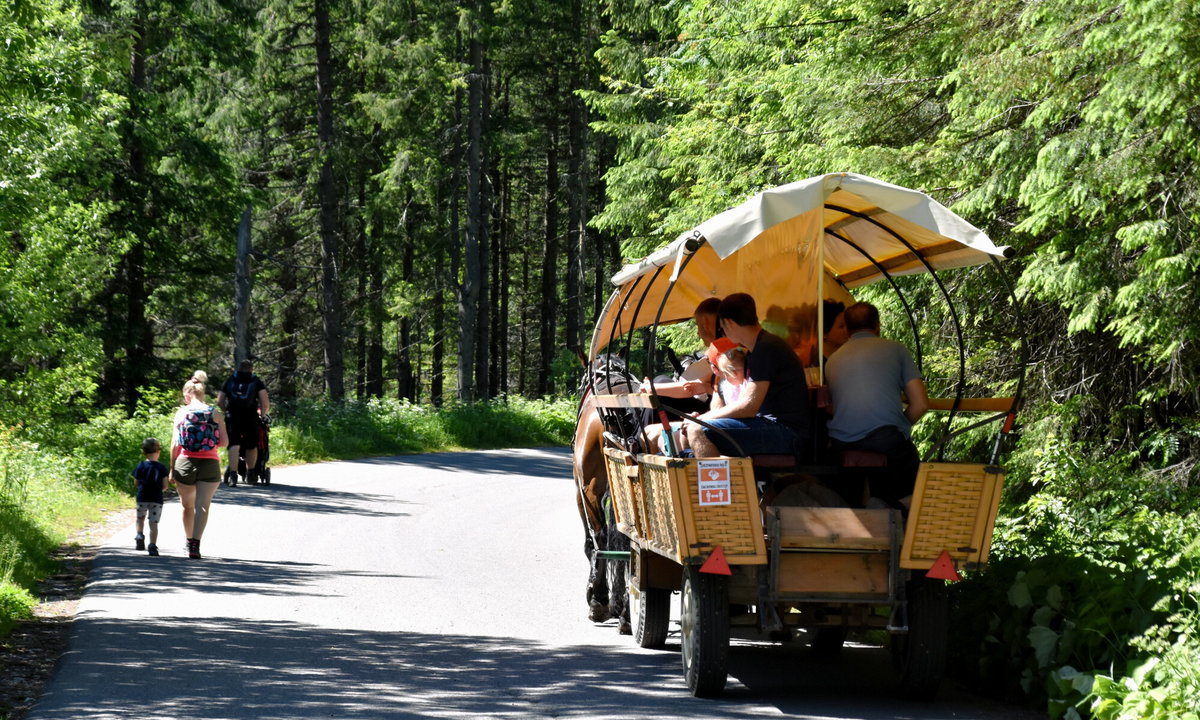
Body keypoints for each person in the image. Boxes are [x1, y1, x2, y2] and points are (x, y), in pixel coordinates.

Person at [825, 301, 930, 509]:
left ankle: (873, 509)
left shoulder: (832, 360)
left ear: (847, 328)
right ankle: (892, 508)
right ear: (877, 325)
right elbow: (921, 404)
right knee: (911, 485)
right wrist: (900, 427)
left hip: (840, 443)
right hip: (885, 439)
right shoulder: (896, 349)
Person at [686, 293, 811, 459]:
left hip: (787, 432)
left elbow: (748, 407)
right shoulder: (762, 346)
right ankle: (727, 480)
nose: (722, 332)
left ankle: (718, 485)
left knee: (698, 430)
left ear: (728, 323)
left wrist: (702, 419)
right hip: (778, 427)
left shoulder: (766, 349)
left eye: (721, 327)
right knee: (699, 430)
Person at [169, 376, 228, 559]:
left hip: (185, 462)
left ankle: (188, 540)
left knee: (187, 507)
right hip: (210, 463)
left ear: (187, 394)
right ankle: (195, 544)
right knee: (202, 506)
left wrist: (172, 468)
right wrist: (208, 444)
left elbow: (175, 445)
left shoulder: (181, 413)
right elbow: (225, 442)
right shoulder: (214, 413)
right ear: (202, 393)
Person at [217, 360, 270, 485]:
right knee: (251, 445)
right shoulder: (256, 381)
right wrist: (261, 415)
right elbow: (265, 402)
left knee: (233, 444)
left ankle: (233, 475)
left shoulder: (230, 379)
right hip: (251, 417)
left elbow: (220, 400)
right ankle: (251, 473)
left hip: (233, 417)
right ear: (251, 369)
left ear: (238, 368)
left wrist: (227, 411)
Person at [131, 437, 168, 556]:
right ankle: (152, 546)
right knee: (153, 523)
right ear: (158, 451)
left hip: (142, 497)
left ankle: (139, 534)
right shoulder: (162, 468)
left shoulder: (141, 465)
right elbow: (165, 486)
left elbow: (136, 483)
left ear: (144, 452)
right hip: (156, 499)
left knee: (140, 518)